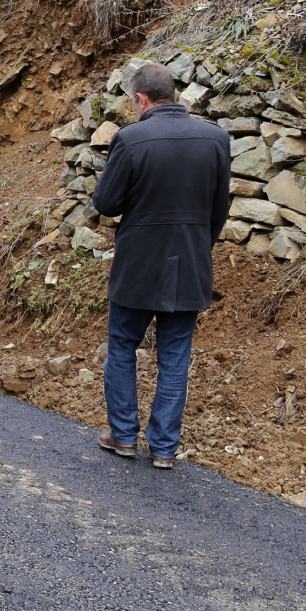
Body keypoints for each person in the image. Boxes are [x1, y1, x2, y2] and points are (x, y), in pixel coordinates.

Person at [90, 60, 230, 470]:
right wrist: (200, 245)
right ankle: (165, 448)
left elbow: (106, 202)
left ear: (140, 98)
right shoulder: (216, 138)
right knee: (174, 356)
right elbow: (219, 207)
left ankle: (123, 435)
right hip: (190, 261)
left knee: (121, 346)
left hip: (139, 262)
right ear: (175, 94)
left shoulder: (131, 139)